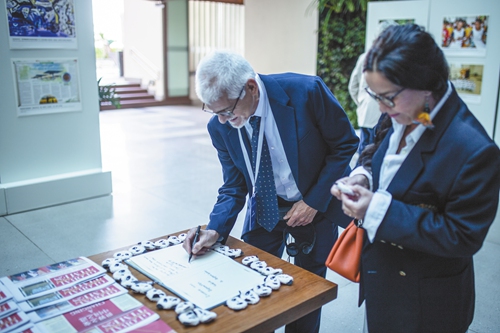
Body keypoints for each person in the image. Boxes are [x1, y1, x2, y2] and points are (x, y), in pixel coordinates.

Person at [331, 24, 500, 333]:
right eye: (375, 95)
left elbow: (463, 236)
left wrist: (375, 210)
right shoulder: (404, 107)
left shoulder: (474, 150)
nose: (380, 107)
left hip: (426, 301)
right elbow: (378, 147)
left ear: (426, 85)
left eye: (387, 98)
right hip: (382, 279)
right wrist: (363, 175)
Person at [183, 50, 358, 333]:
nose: (224, 120)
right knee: (250, 282)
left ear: (251, 87)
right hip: (264, 206)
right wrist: (214, 230)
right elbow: (234, 184)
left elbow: (345, 145)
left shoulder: (306, 92)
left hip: (314, 203)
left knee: (307, 292)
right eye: (215, 112)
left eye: (227, 111)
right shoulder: (220, 127)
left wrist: (313, 201)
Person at [349, 20, 395, 155]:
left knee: (364, 152)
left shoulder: (365, 57)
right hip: (382, 118)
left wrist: (362, 103)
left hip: (366, 115)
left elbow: (353, 86)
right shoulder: (392, 59)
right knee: (378, 153)